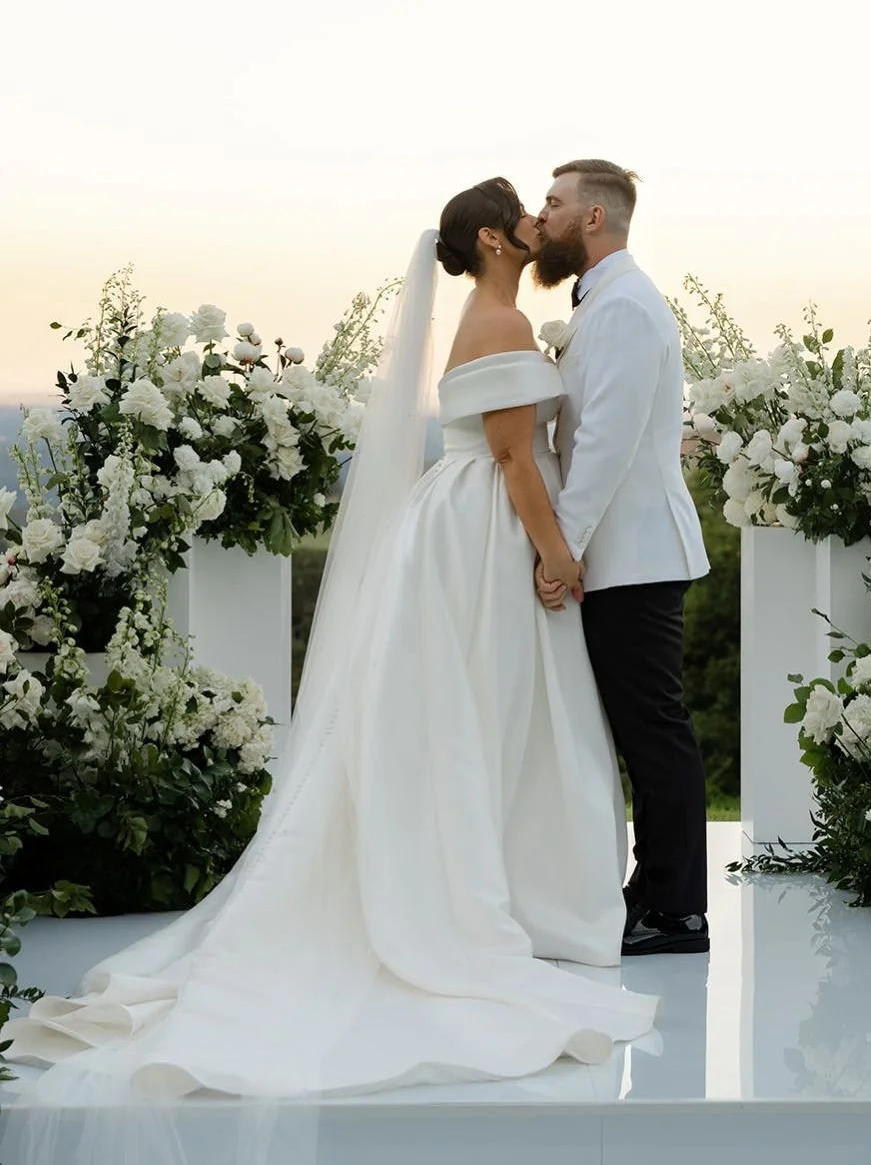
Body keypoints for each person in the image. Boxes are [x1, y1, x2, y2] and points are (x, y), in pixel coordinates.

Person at [3, 181, 656, 1165]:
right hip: (483, 534)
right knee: (489, 714)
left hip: (454, 525)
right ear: (491, 235)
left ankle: (505, 883)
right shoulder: (504, 315)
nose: (535, 222)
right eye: (522, 210)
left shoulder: (495, 314)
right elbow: (518, 460)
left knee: (470, 718)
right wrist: (557, 554)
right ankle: (497, 897)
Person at [532, 159, 712, 955]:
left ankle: (676, 911)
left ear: (593, 219)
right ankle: (648, 891)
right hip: (615, 554)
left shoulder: (630, 307)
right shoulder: (601, 301)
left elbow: (603, 440)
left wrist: (561, 546)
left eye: (554, 202)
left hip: (632, 554)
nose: (544, 215)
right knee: (636, 729)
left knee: (652, 731)